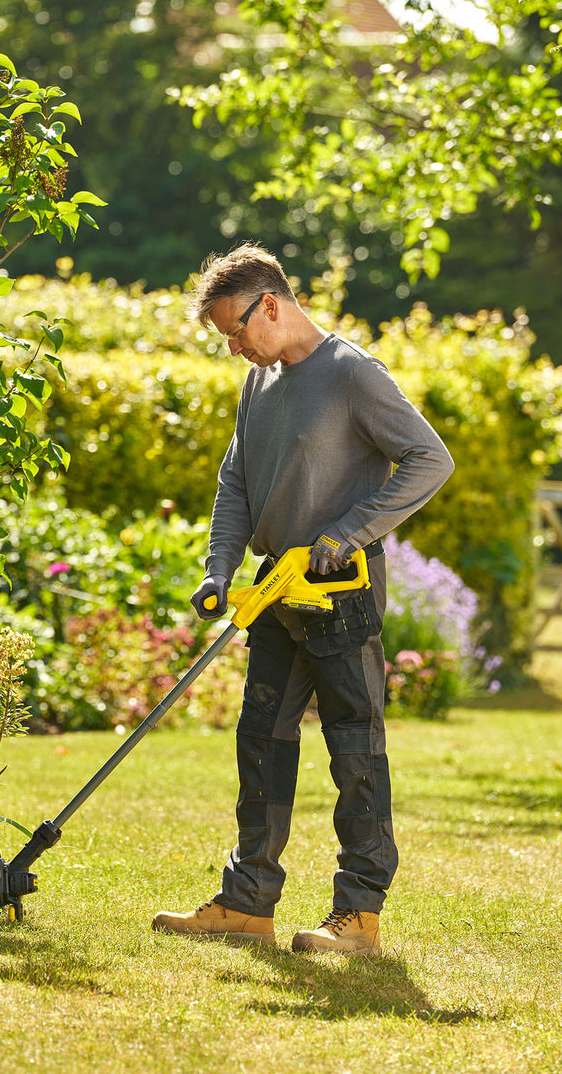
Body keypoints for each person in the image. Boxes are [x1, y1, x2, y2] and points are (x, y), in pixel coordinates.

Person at [151, 243, 455, 956]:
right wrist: (219, 567)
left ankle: (359, 915)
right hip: (276, 590)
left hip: (339, 594)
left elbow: (430, 459)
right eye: (223, 337)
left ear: (272, 305)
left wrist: (349, 532)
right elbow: (236, 483)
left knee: (354, 746)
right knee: (261, 739)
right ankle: (247, 900)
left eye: (236, 330)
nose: (233, 347)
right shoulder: (260, 382)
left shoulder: (352, 374)